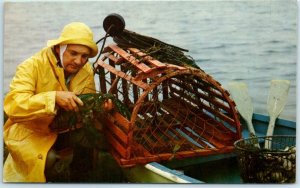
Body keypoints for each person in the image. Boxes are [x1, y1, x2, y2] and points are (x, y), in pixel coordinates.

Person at [3, 22, 112, 182]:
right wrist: (53, 97)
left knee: (88, 144)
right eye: (73, 53)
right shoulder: (31, 66)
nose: (78, 61)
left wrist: (100, 109)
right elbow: (14, 106)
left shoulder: (86, 70)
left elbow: (86, 107)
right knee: (50, 159)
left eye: (84, 56)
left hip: (65, 127)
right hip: (31, 131)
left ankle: (81, 179)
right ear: (58, 48)